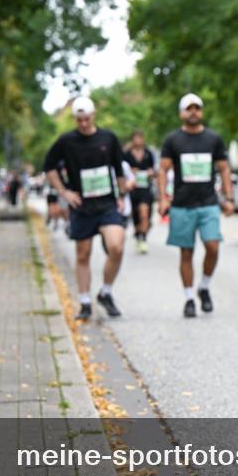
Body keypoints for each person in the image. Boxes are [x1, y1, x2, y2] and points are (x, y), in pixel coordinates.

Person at [43, 96, 127, 321]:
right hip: (82, 205)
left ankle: (106, 292)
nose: (83, 124)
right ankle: (85, 302)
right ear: (75, 119)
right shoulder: (66, 141)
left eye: (86, 119)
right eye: (79, 120)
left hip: (107, 203)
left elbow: (119, 170)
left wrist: (122, 195)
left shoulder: (108, 138)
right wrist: (64, 192)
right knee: (83, 253)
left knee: (116, 247)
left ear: (93, 116)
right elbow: (49, 166)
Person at [157, 93, 235, 318]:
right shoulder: (173, 140)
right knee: (186, 253)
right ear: (182, 113)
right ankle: (190, 297)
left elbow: (224, 169)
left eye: (197, 108)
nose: (193, 112)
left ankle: (204, 286)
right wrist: (163, 197)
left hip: (208, 203)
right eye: (189, 108)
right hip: (182, 205)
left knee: (213, 246)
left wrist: (229, 198)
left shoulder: (213, 139)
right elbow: (163, 169)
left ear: (201, 112)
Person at [124, 130, 157, 253]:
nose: (137, 140)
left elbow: (154, 170)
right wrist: (131, 172)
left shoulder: (148, 153)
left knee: (144, 213)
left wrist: (150, 172)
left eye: (140, 138)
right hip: (132, 189)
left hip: (145, 188)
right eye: (135, 138)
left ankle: (143, 238)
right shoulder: (126, 154)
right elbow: (121, 171)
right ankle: (138, 233)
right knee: (136, 215)